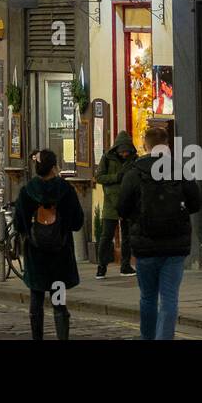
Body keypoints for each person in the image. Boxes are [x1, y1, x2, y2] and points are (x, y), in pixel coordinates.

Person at [118, 126, 202, 340]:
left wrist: (137, 218)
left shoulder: (134, 172)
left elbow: (122, 208)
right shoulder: (179, 170)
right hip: (175, 246)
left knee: (147, 298)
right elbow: (195, 203)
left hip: (145, 245)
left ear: (145, 145)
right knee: (169, 299)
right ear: (167, 144)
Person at [13, 149, 84, 340]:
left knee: (36, 298)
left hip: (35, 254)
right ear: (54, 167)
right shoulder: (66, 191)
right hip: (60, 255)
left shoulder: (27, 192)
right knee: (59, 302)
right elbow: (77, 222)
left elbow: (19, 224)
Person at [94, 131, 138, 279]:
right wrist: (117, 177)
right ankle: (101, 267)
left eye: (127, 151)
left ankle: (125, 266)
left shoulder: (134, 159)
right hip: (111, 203)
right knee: (106, 236)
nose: (125, 154)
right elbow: (99, 177)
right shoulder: (107, 158)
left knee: (127, 236)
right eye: (122, 151)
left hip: (128, 202)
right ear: (117, 149)